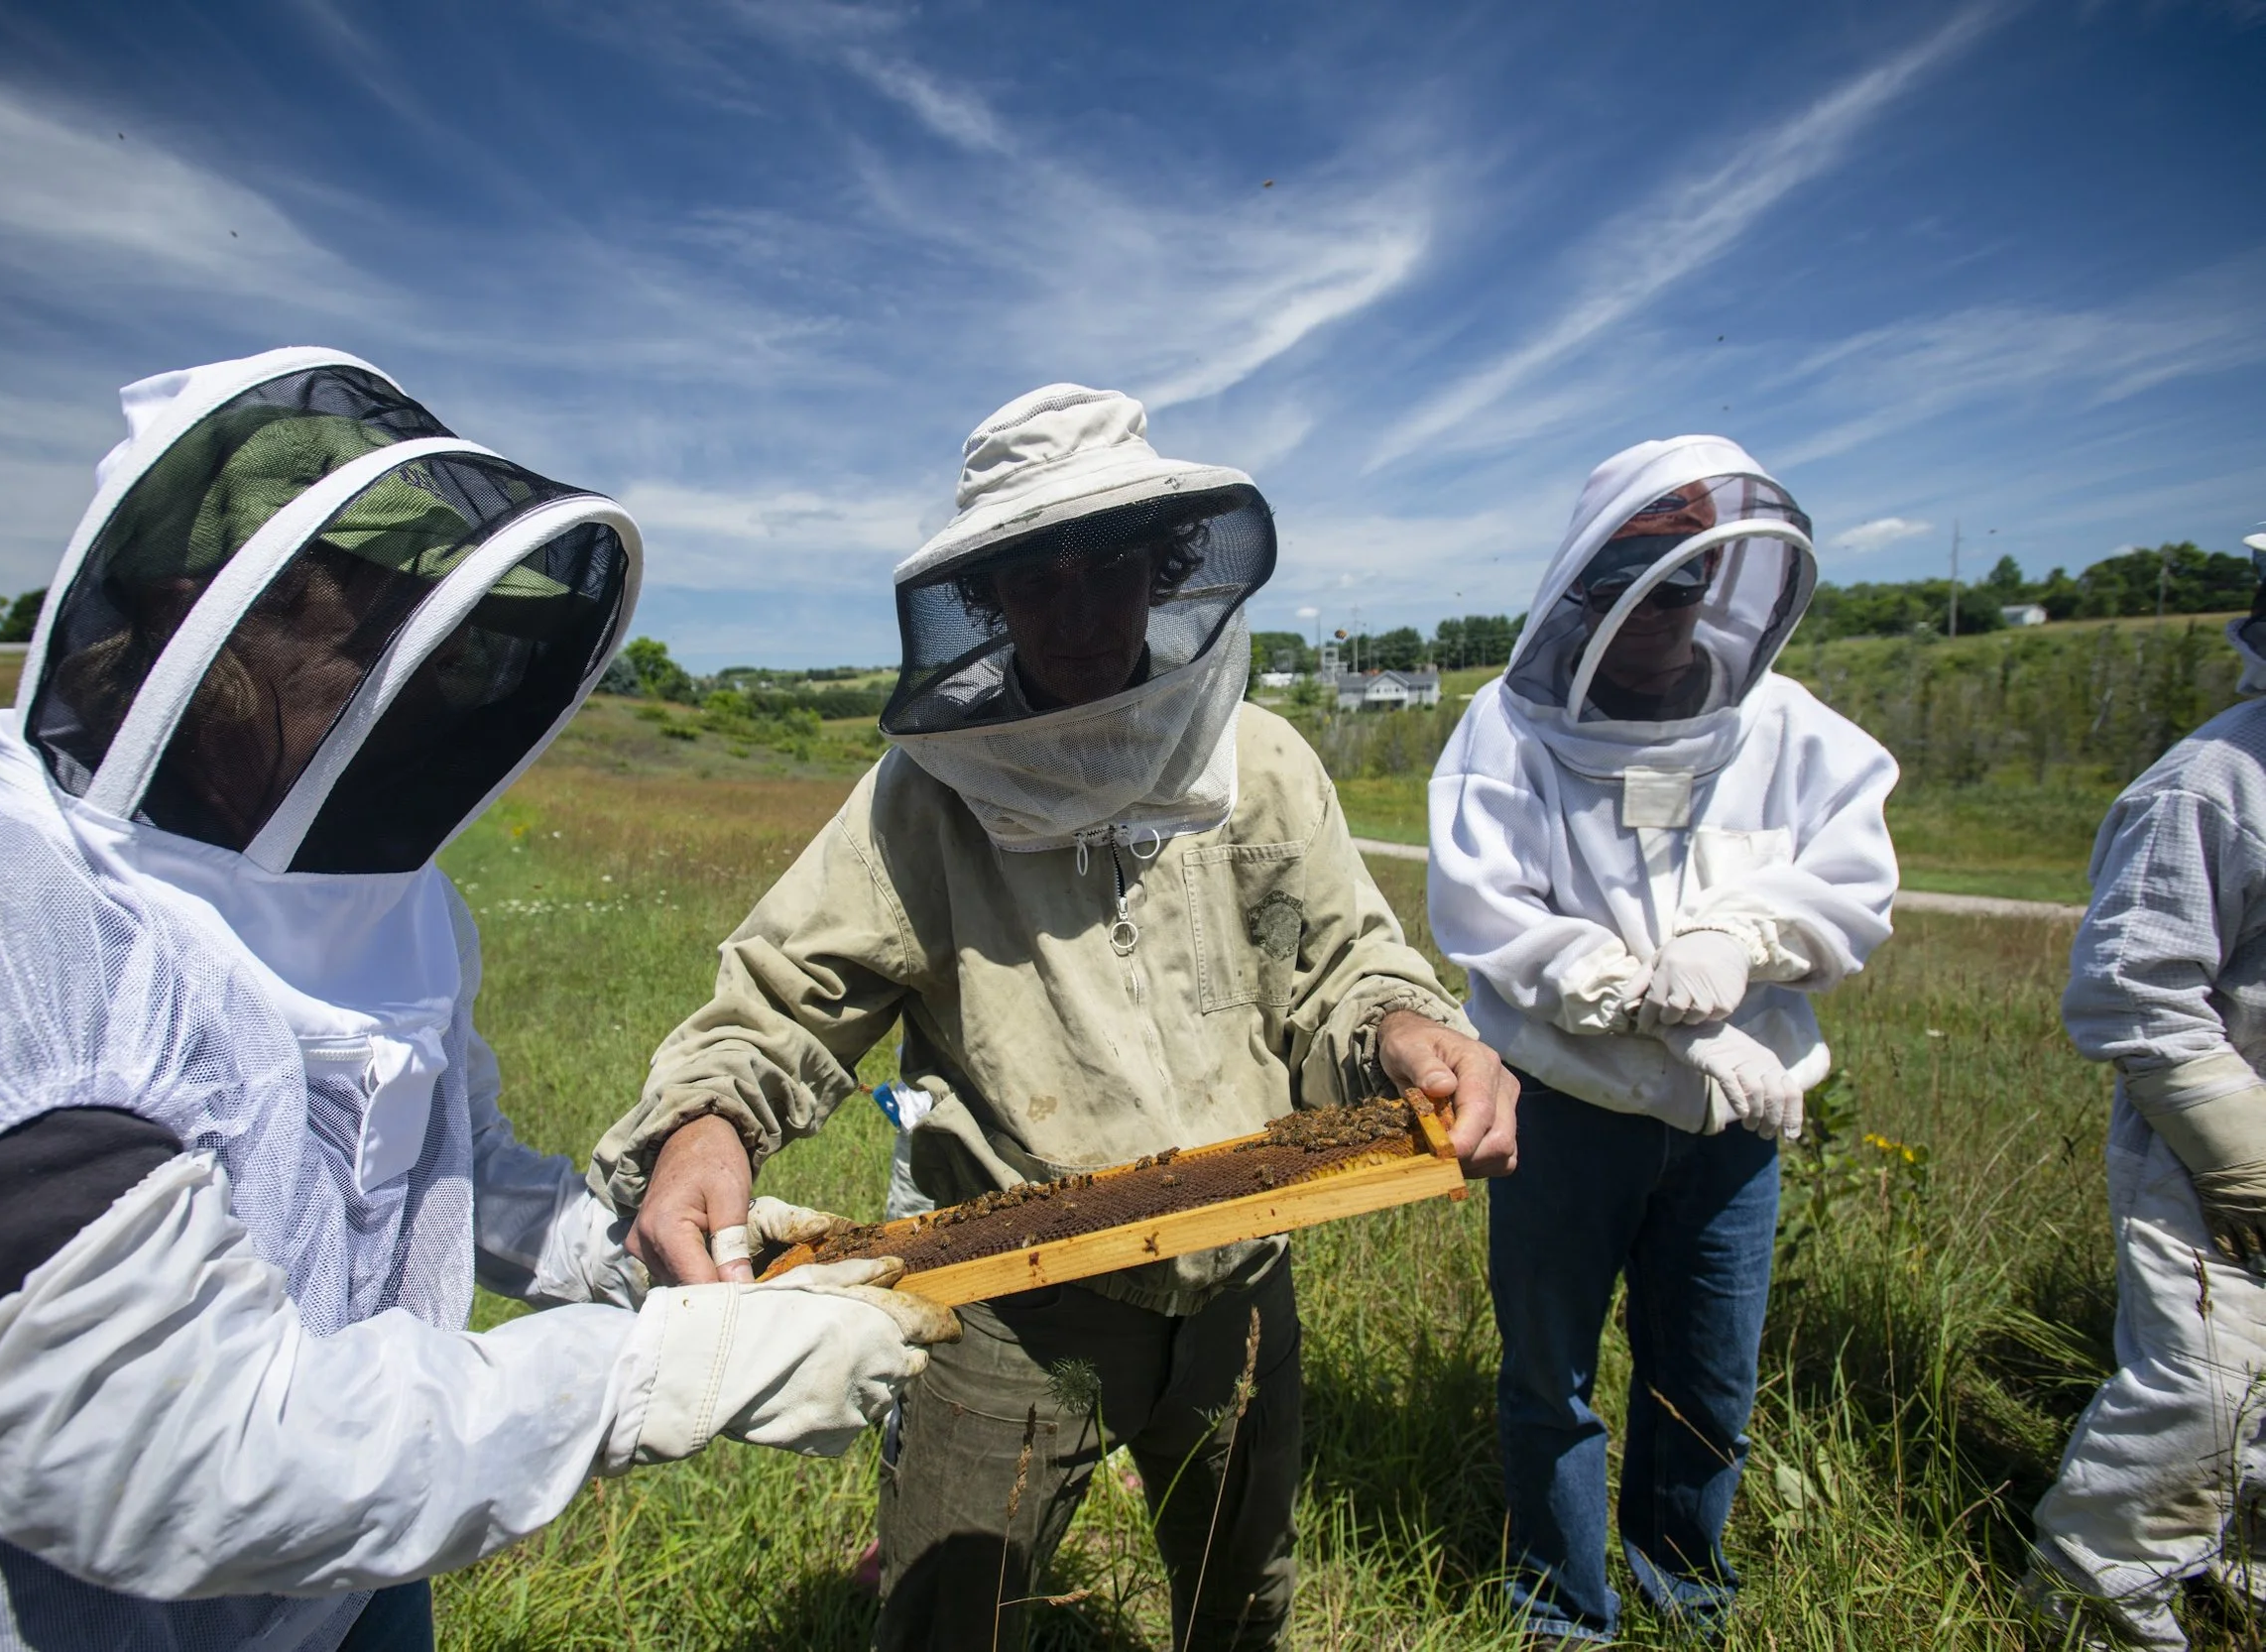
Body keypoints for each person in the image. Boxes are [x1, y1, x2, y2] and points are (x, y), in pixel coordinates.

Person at [0, 348, 955, 1652]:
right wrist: (648, 1375)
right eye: (355, 616)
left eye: (424, 618)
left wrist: (617, 1245)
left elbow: (442, 1169)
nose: (421, 675)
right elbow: (152, 1447)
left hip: (350, 1566)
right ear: (199, 616)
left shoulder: (396, 907)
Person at [593, 384, 1519, 1652]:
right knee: (951, 1618)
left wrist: (1411, 1032)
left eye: (1113, 569)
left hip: (1241, 1273)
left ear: (1167, 568)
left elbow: (1343, 972)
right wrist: (708, 1124)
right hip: (1009, 1305)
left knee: (1240, 1599)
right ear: (989, 598)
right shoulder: (922, 797)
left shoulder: (1264, 760)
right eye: (1039, 580)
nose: (1079, 612)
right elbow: (782, 994)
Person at [1426, 436, 1898, 1644]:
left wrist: (1745, 936)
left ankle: (1684, 1591)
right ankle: (1561, 1612)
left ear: (1726, 586)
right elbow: (1487, 911)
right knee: (1550, 1375)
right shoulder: (1509, 726)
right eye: (1628, 577)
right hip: (1567, 1111)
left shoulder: (1786, 726)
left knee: (1706, 1379)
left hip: (1736, 1122)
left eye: (1683, 579)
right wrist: (1634, 996)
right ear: (1581, 585)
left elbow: (1851, 881)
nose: (1654, 607)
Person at [2026, 527, 2266, 1651]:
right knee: (2205, 1391)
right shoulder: (2210, 783)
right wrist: (2239, 1152)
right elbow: (2131, 988)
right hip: (2208, 1153)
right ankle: (2095, 1588)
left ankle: (2240, 1562)